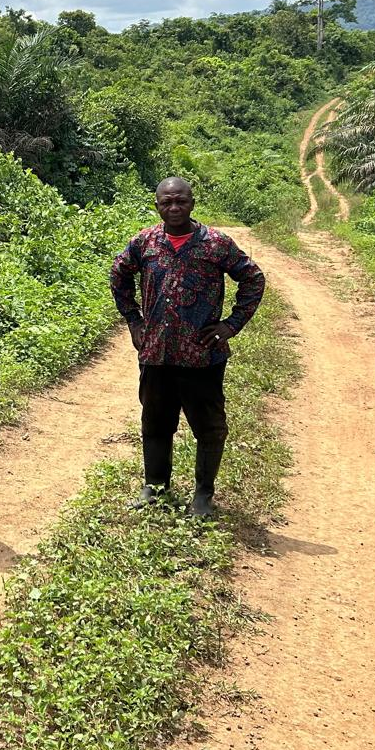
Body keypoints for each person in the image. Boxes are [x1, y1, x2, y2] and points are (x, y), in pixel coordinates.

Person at [108, 176, 266, 518]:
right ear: (157, 206)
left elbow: (253, 278)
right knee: (155, 422)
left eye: (180, 201)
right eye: (167, 202)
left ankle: (203, 496)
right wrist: (134, 321)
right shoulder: (145, 242)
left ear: (192, 202)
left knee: (209, 428)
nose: (174, 207)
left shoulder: (216, 244)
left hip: (202, 355)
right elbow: (118, 275)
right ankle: (155, 487)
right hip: (156, 353)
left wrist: (231, 324)